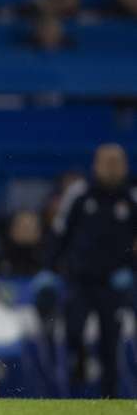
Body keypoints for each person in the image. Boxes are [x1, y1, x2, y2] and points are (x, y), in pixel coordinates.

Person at [48, 143, 136, 398]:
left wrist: (131, 268)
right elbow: (59, 232)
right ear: (95, 164)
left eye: (116, 162)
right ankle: (74, 392)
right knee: (73, 332)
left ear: (125, 165)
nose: (111, 168)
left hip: (115, 283)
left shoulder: (131, 197)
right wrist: (51, 267)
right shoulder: (79, 194)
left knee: (111, 342)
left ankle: (110, 398)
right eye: (106, 162)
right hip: (80, 280)